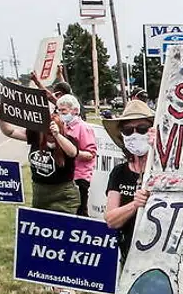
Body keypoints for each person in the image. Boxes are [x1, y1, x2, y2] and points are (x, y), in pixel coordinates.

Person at [0, 104, 81, 213]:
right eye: (47, 132)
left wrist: (57, 135)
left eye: (51, 133)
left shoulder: (68, 141)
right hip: (40, 193)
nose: (49, 135)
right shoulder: (36, 137)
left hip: (63, 194)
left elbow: (72, 152)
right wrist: (0, 117)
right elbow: (10, 132)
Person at [102, 99, 155, 260]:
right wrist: (135, 204)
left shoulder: (162, 171)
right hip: (129, 253)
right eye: (128, 130)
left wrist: (159, 149)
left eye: (142, 129)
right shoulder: (119, 172)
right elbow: (111, 219)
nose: (135, 134)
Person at [55, 93, 99, 216]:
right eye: (59, 111)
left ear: (75, 110)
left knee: (79, 212)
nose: (61, 114)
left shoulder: (84, 128)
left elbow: (91, 154)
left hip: (80, 177)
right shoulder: (62, 127)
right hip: (65, 175)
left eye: (63, 111)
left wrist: (73, 152)